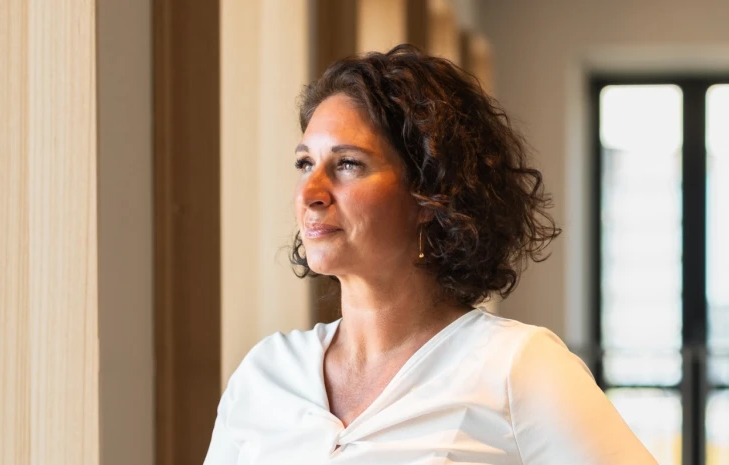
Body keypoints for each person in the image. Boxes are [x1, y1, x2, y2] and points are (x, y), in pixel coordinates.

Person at [203, 45, 657, 465]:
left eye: (347, 164)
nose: (310, 193)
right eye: (305, 163)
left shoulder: (516, 367)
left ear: (430, 194)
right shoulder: (266, 374)